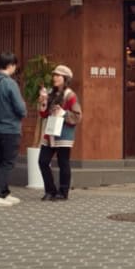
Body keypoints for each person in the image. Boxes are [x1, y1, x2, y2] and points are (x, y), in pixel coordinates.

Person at [0, 52, 27, 207]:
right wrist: (23, 111)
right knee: (8, 162)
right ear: (10, 65)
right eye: (14, 65)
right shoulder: (10, 83)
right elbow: (20, 108)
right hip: (10, 128)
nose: (15, 68)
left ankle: (3, 192)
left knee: (0, 160)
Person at [38, 65, 82, 200]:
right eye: (54, 75)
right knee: (43, 161)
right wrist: (43, 101)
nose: (54, 78)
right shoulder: (51, 93)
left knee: (63, 162)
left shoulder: (70, 95)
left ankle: (63, 192)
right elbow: (43, 114)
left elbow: (78, 116)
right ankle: (50, 190)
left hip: (64, 133)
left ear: (65, 78)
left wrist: (63, 112)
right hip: (50, 132)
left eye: (58, 75)